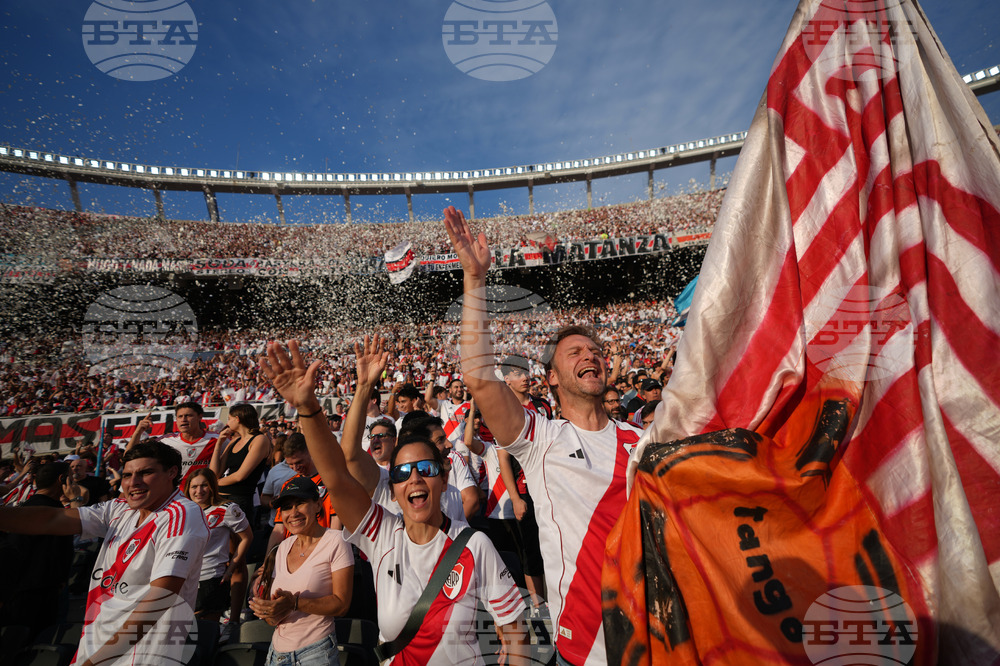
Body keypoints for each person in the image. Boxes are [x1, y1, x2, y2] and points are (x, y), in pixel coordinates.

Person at [445, 206, 642, 666]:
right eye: (574, 352)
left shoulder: (642, 441)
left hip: (660, 639)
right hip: (585, 648)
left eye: (595, 350)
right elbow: (480, 378)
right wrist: (475, 279)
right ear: (551, 377)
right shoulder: (541, 438)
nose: (590, 356)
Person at [259, 336, 529, 665]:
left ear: (444, 479)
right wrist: (308, 407)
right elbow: (336, 475)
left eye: (426, 469)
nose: (414, 478)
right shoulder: (382, 534)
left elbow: (516, 632)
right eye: (402, 472)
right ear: (393, 487)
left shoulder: (475, 545)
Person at [0, 440, 209, 666]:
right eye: (127, 475)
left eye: (145, 473)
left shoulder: (182, 515)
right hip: (98, 649)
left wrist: (95, 663)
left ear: (172, 472)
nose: (133, 482)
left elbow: (160, 599)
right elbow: (52, 519)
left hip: (143, 656)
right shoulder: (120, 508)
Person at [249, 476, 354, 666]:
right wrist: (267, 611)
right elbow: (276, 618)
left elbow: (341, 605)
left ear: (318, 505)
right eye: (287, 507)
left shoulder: (337, 541)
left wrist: (294, 603)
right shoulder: (283, 547)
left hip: (316, 654)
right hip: (275, 655)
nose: (293, 513)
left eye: (300, 503)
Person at [0, 461, 74, 637]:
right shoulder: (55, 513)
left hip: (29, 593)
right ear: (62, 480)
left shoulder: (26, 508)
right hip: (35, 596)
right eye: (71, 478)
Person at [185, 468, 252, 632]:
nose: (199, 491)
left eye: (204, 485)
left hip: (211, 578)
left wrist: (230, 569)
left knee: (205, 633)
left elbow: (247, 537)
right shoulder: (182, 511)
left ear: (212, 487)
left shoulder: (227, 509)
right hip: (185, 579)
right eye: (194, 487)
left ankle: (233, 623)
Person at [127, 401, 218, 486]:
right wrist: (138, 432)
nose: (183, 420)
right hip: (176, 494)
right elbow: (129, 456)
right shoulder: (166, 440)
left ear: (200, 417)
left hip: (204, 493)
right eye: (180, 416)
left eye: (188, 415)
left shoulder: (217, 439)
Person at [211, 402, 272, 522]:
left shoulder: (259, 439)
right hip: (219, 498)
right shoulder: (234, 441)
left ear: (237, 419)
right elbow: (215, 473)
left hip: (239, 500)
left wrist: (213, 483)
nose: (227, 423)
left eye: (229, 419)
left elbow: (240, 475)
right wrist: (219, 443)